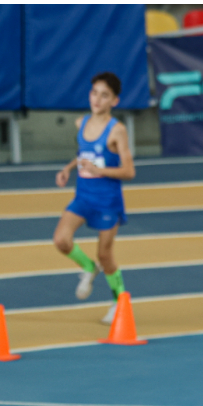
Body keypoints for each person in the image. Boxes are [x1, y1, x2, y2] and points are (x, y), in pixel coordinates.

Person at [52, 72, 135, 324]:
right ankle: (88, 268)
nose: (97, 99)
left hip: (107, 201)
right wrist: (68, 168)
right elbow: (83, 154)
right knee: (61, 240)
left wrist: (101, 171)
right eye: (94, 93)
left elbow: (129, 171)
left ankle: (120, 303)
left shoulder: (117, 131)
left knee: (105, 255)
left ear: (114, 101)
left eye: (104, 95)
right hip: (83, 197)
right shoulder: (81, 123)